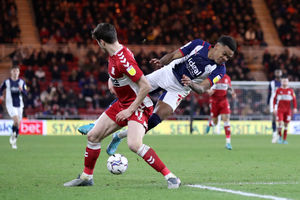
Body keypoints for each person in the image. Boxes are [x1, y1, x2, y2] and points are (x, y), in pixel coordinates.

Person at [63, 23, 181, 189]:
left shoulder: (122, 61)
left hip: (138, 105)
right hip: (122, 103)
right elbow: (121, 74)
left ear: (102, 42)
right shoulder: (117, 52)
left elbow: (145, 86)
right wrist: (112, 80)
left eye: (97, 42)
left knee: (134, 144)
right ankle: (86, 177)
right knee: (93, 136)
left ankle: (171, 178)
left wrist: (130, 110)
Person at [78, 35, 237, 155]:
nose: (225, 59)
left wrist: (191, 83)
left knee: (154, 120)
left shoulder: (220, 70)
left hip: (180, 89)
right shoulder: (198, 45)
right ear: (216, 46)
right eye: (224, 54)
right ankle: (96, 124)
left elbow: (202, 89)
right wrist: (162, 62)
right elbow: (175, 54)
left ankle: (119, 136)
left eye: (228, 58)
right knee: (130, 94)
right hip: (167, 73)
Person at [205, 74, 236, 150]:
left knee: (226, 120)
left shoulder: (227, 78)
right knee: (215, 123)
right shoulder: (212, 77)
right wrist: (208, 91)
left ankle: (228, 143)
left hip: (223, 102)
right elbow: (205, 87)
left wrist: (232, 92)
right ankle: (210, 124)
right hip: (214, 102)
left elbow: (229, 87)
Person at [0, 65, 27, 149]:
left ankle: (14, 137)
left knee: (18, 123)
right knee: (16, 120)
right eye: (14, 71)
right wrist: (1, 96)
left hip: (19, 105)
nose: (15, 73)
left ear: (19, 73)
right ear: (11, 72)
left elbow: (26, 94)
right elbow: (0, 89)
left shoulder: (22, 82)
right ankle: (14, 136)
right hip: (10, 104)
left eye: (17, 71)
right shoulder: (7, 82)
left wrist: (21, 90)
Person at [273, 76, 297, 144]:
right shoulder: (278, 90)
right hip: (280, 110)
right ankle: (279, 137)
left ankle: (284, 139)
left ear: (288, 82)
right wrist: (274, 108)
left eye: (286, 81)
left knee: (286, 125)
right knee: (280, 123)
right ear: (281, 82)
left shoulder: (291, 91)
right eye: (283, 81)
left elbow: (294, 100)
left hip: (288, 110)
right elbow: (274, 99)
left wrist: (295, 108)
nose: (285, 82)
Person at [267, 69, 282, 143]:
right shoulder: (272, 83)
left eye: (279, 74)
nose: (278, 75)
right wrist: (267, 104)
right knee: (273, 119)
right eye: (277, 73)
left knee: (280, 120)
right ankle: (274, 135)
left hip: (281, 103)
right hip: (272, 102)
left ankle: (280, 136)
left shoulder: (283, 83)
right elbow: (269, 94)